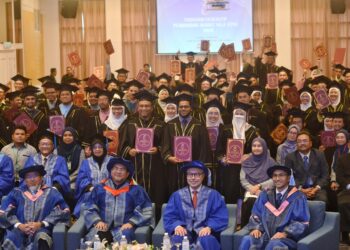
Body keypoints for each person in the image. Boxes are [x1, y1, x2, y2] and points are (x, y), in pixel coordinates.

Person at [118, 90, 167, 219]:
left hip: (155, 169)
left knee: (156, 197)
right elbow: (122, 146)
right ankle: (134, 222)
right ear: (138, 107)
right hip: (135, 168)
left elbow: (166, 146)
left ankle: (155, 225)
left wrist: (158, 149)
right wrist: (129, 150)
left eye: (147, 106)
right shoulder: (129, 124)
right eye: (142, 106)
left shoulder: (161, 125)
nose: (144, 108)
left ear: (152, 107)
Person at [83, 157, 153, 244]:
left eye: (122, 169)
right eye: (115, 168)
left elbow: (145, 210)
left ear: (127, 174)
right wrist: (98, 221)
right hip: (103, 225)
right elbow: (89, 207)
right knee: (96, 238)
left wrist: (131, 223)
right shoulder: (99, 188)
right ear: (110, 171)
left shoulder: (136, 190)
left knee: (126, 235)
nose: (118, 172)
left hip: (123, 228)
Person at [239, 165, 310, 250]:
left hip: (287, 239)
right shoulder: (264, 195)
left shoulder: (297, 197)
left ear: (288, 178)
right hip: (265, 235)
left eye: (281, 175)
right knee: (247, 240)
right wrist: (256, 228)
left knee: (274, 244)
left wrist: (285, 233)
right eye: (275, 175)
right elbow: (256, 214)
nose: (277, 178)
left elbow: (301, 221)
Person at [0, 164, 70, 250]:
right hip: (19, 229)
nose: (32, 179)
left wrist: (41, 224)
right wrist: (19, 225)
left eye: (35, 176)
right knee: (11, 238)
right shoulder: (16, 192)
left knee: (42, 238)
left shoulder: (52, 193)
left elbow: (63, 211)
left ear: (41, 178)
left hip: (42, 229)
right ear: (25, 180)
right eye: (28, 177)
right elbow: (4, 211)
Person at [163, 160, 228, 249]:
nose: (193, 178)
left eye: (197, 174)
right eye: (190, 174)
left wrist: (209, 227)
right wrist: (177, 226)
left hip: (204, 232)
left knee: (208, 240)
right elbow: (170, 215)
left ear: (203, 176)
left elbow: (219, 216)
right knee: (177, 239)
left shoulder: (213, 195)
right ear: (186, 176)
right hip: (184, 232)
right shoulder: (177, 195)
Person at [161, 93, 212, 194]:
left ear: (191, 108)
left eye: (186, 106)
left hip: (193, 168)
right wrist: (169, 157)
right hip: (174, 169)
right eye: (181, 107)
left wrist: (198, 166)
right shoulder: (170, 125)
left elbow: (204, 148)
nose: (183, 109)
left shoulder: (199, 125)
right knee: (175, 194)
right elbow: (165, 145)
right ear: (178, 108)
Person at [285, 131, 329, 203]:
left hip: (317, 188)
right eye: (299, 141)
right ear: (296, 144)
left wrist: (316, 189)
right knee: (294, 201)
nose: (302, 143)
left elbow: (325, 175)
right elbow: (289, 177)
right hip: (298, 188)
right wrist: (301, 189)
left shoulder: (319, 155)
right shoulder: (290, 157)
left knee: (322, 200)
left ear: (310, 143)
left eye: (305, 141)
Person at [240, 137, 275, 226]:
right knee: (249, 201)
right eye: (254, 146)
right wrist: (252, 189)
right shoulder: (246, 161)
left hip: (267, 190)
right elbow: (243, 179)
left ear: (264, 147)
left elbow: (274, 179)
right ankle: (247, 228)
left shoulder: (271, 162)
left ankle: (262, 228)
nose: (256, 148)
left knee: (262, 200)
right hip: (250, 190)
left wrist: (259, 186)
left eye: (259, 146)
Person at [74, 135, 112, 217]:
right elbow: (81, 179)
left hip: (109, 193)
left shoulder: (112, 160)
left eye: (100, 147)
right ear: (92, 150)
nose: (97, 149)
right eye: (95, 147)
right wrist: (90, 187)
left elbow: (116, 177)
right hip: (91, 193)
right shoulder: (86, 162)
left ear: (104, 148)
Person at [23, 132, 70, 196]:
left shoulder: (60, 160)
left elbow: (63, 177)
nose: (45, 146)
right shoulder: (32, 159)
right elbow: (25, 176)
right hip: (33, 190)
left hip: (54, 191)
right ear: (39, 146)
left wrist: (55, 187)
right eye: (42, 144)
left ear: (52, 146)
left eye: (48, 144)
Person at [49, 83, 90, 147]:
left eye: (67, 94)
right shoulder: (53, 111)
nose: (65, 96)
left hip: (75, 144)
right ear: (59, 97)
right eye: (62, 95)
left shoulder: (80, 111)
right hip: (58, 145)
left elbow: (84, 130)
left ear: (72, 96)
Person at [56, 127, 85, 191]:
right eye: (65, 135)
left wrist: (69, 179)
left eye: (70, 135)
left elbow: (80, 169)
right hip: (60, 181)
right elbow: (56, 168)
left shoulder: (80, 150)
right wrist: (63, 180)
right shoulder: (57, 150)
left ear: (74, 137)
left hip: (75, 181)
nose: (67, 137)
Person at [335, 137, 350, 245]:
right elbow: (339, 177)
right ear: (349, 145)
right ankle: (345, 234)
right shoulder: (342, 159)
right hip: (347, 189)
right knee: (343, 203)